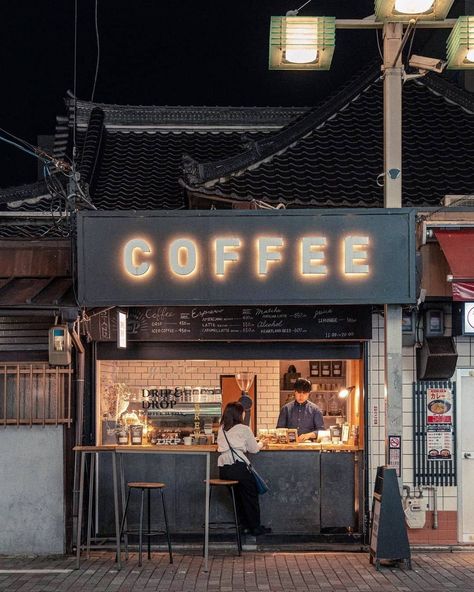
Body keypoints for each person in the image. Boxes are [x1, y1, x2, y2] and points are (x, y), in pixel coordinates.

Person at [217, 401, 270, 536]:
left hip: (223, 470)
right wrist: (262, 443)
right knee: (250, 496)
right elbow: (254, 449)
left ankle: (244, 526)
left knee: (238, 498)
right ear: (238, 414)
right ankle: (255, 528)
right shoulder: (244, 428)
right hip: (239, 467)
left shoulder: (221, 428)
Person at [277, 378, 324, 442]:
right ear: (294, 392)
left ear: (309, 393)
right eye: (299, 392)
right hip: (289, 446)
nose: (301, 396)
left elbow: (321, 431)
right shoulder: (285, 409)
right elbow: (279, 429)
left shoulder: (316, 410)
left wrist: (308, 435)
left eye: (304, 393)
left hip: (309, 447)